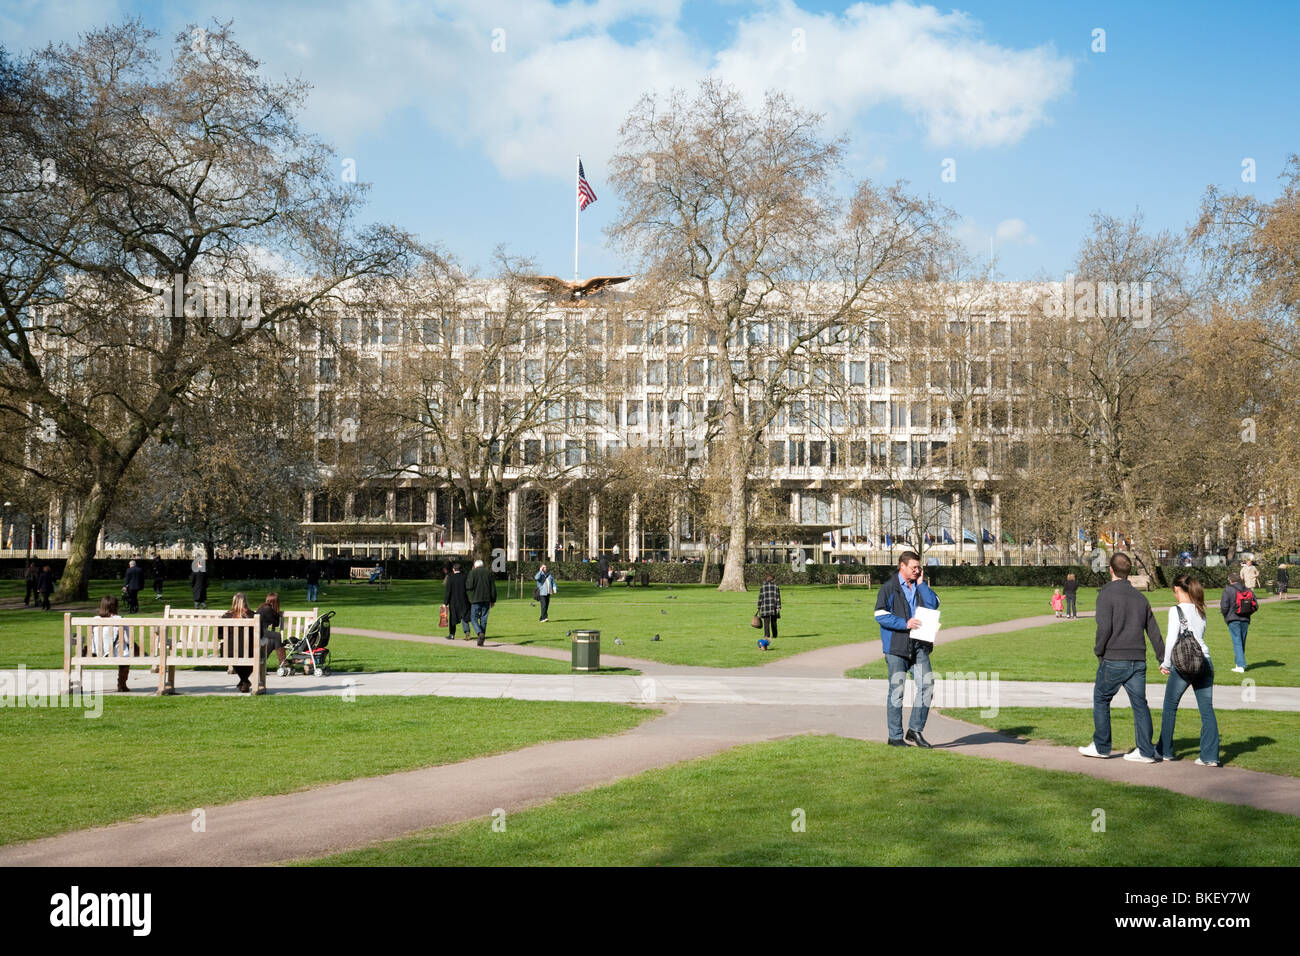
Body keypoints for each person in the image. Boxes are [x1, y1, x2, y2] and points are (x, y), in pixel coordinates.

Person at [1079, 552, 1165, 763]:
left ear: (1110, 570)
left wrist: (1099, 650)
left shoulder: (1106, 595)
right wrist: (1162, 657)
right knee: (1139, 705)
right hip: (1138, 659)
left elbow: (1104, 627)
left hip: (1115, 657)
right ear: (1129, 572)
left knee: (1101, 699)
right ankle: (1145, 751)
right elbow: (1153, 631)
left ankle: (1101, 746)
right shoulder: (1140, 597)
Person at [873, 551, 940, 748]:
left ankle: (915, 730)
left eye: (919, 567)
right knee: (897, 691)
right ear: (901, 566)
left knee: (927, 685)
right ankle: (895, 736)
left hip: (919, 646)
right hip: (896, 647)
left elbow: (933, 604)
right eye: (913, 567)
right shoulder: (888, 588)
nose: (917, 570)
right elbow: (880, 614)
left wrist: (922, 583)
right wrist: (905, 623)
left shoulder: (921, 587)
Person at [1158, 574, 1219, 766]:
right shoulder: (1200, 609)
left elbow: (1171, 639)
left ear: (1177, 589)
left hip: (1184, 663)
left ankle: (1165, 750)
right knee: (1207, 710)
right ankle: (1210, 756)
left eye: (1174, 592)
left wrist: (1166, 663)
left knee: (1170, 707)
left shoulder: (1176, 610)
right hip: (1204, 660)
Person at [92, 595, 134, 693]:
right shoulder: (121, 619)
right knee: (125, 657)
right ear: (116, 607)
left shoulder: (94, 620)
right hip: (117, 654)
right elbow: (128, 640)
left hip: (98, 653)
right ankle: (121, 684)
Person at [1220, 571, 1256, 673]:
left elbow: (1224, 607)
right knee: (1241, 642)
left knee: (1237, 642)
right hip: (1245, 619)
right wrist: (1247, 613)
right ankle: (1238, 663)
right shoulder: (1248, 590)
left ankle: (1240, 665)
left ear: (1230, 580)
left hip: (1233, 619)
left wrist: (1226, 617)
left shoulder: (1228, 590)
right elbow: (1255, 606)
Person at [222, 592, 257, 694]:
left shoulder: (226, 616)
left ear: (233, 602)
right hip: (250, 651)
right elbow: (260, 635)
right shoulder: (253, 615)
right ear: (246, 602)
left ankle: (243, 681)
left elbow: (220, 634)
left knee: (233, 652)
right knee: (253, 652)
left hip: (230, 652)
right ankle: (245, 681)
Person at [254, 592, 288, 678]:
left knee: (272, 641)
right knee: (277, 635)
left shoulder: (263, 607)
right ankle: (283, 661)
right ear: (275, 602)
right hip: (259, 631)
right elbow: (276, 623)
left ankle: (262, 663)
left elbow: (275, 624)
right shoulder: (267, 609)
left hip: (258, 631)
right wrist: (277, 613)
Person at [465, 558, 497, 646]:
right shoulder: (488, 573)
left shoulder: (472, 573)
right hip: (486, 599)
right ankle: (481, 639)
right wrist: (493, 600)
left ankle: (479, 633)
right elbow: (492, 588)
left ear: (475, 566)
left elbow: (468, 586)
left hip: (475, 599)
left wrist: (470, 597)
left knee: (474, 618)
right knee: (484, 619)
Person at [442, 562, 471, 640]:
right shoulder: (465, 577)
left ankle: (452, 634)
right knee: (464, 617)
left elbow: (448, 591)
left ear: (453, 569)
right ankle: (467, 632)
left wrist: (445, 603)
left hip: (454, 601)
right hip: (464, 600)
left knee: (453, 618)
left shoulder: (451, 578)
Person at [756, 573, 781, 642]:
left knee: (766, 622)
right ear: (773, 579)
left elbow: (760, 598)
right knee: (774, 622)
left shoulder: (763, 587)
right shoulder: (776, 586)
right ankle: (775, 635)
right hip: (774, 606)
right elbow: (778, 597)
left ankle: (767, 635)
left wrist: (758, 606)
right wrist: (778, 607)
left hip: (765, 607)